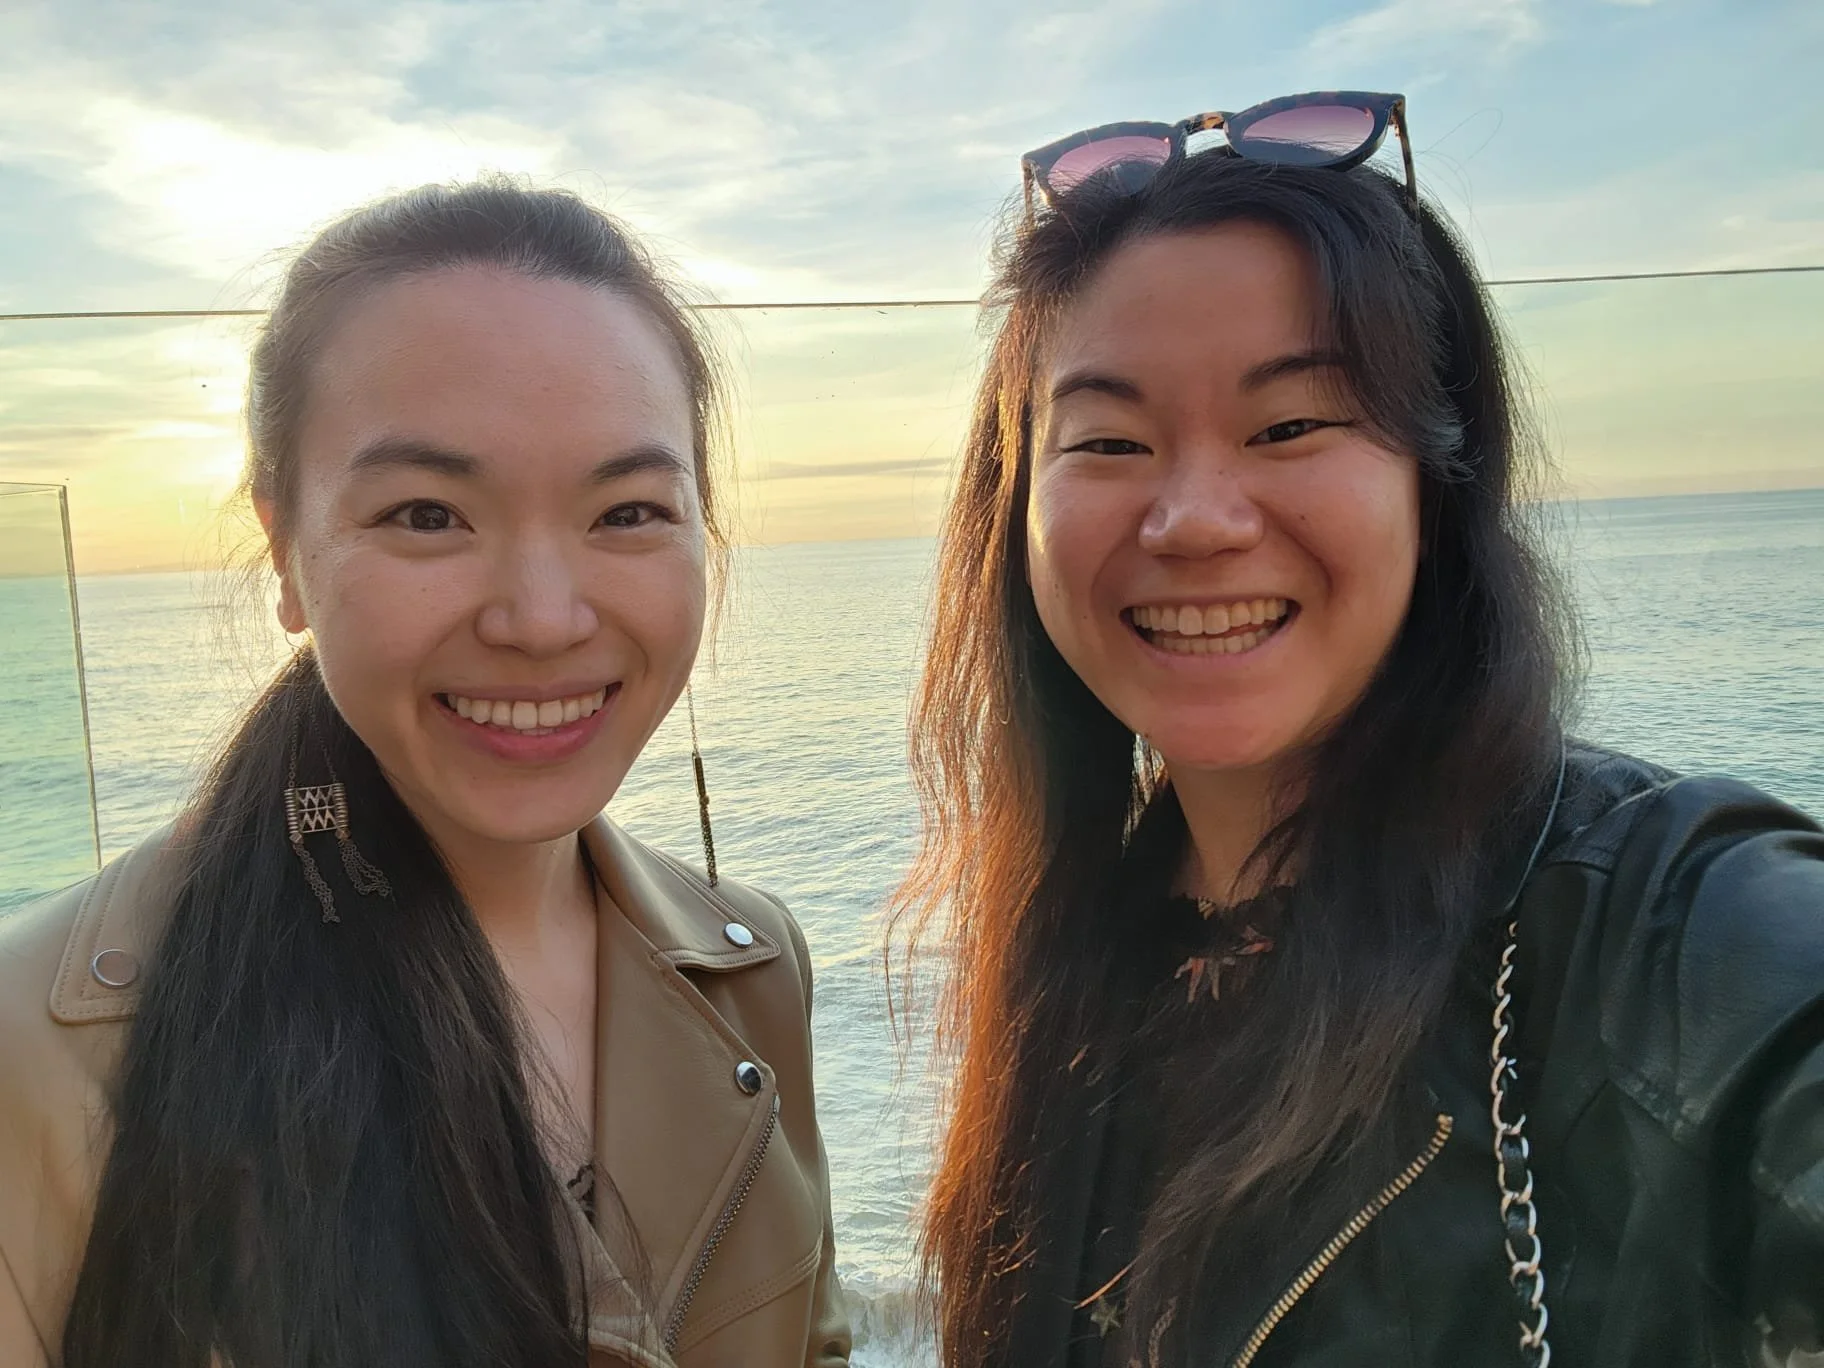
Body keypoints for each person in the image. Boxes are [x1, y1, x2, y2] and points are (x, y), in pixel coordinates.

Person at [896, 92, 1824, 1367]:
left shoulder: (1667, 933)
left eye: (1289, 426)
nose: (1194, 519)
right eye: (1111, 440)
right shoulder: (1075, 951)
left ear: (1436, 479)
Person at [0, 180, 850, 1368]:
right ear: (285, 554)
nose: (543, 619)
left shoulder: (752, 969)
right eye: (427, 514)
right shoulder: (42, 1044)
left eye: (627, 512)